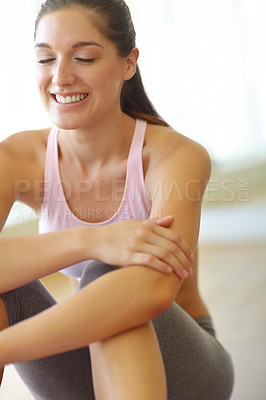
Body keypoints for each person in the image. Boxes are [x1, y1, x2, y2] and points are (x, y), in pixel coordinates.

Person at [0, 0, 234, 399]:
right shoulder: (19, 158)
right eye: (45, 58)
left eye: (85, 57)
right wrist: (90, 239)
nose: (60, 76)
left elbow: (153, 291)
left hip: (186, 366)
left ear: (129, 63)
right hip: (86, 363)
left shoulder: (173, 155)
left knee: (111, 273)